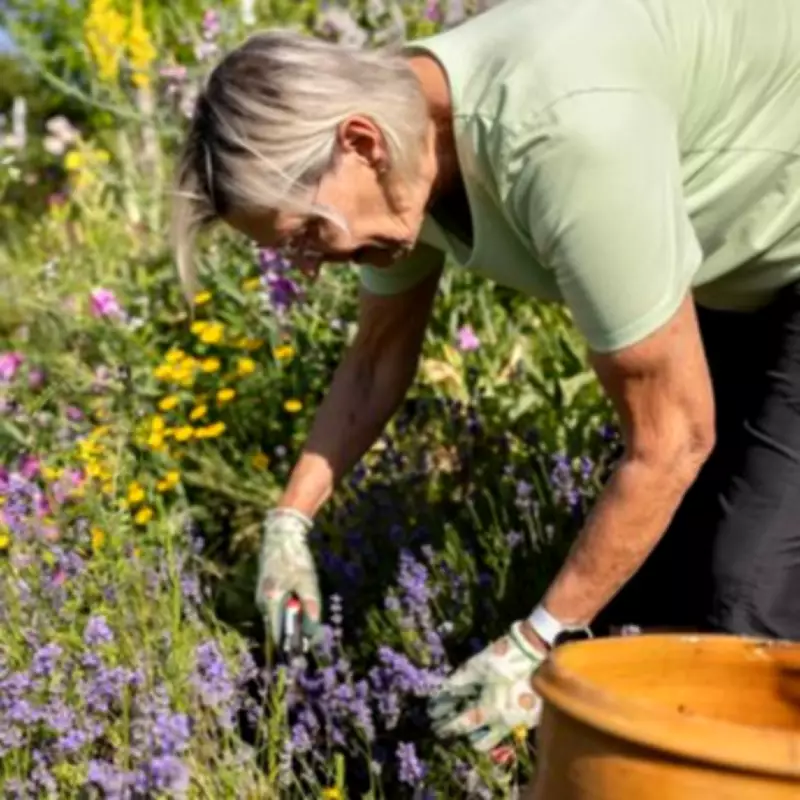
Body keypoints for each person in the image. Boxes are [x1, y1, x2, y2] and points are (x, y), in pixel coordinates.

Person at [170, 0, 800, 753]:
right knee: (649, 607)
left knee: (747, 606)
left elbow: (673, 439)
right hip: (743, 264)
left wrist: (532, 648)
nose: (308, 268)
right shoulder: (406, 142)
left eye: (308, 233)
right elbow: (376, 361)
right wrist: (290, 519)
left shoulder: (561, 136)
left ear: (360, 141)